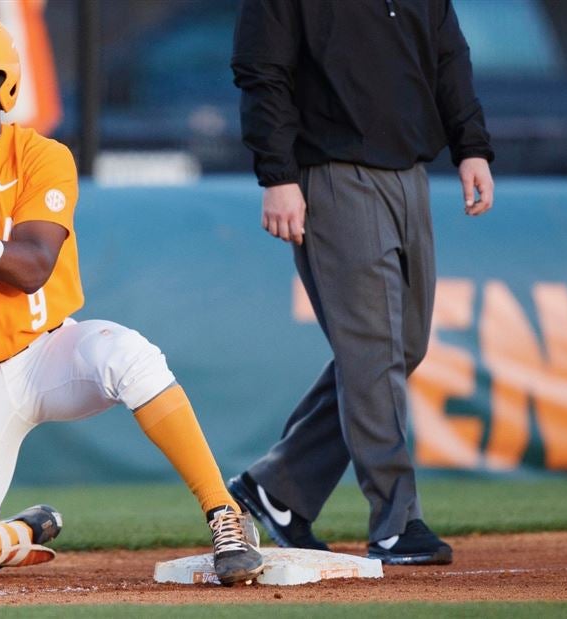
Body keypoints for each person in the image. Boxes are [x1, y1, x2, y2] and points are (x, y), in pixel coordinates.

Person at [0, 14, 263, 585]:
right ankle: (18, 534)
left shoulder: (41, 156)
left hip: (49, 351)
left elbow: (31, 268)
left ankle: (225, 512)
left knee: (127, 355)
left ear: (4, 85)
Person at [226, 0, 495, 566]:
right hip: (331, 172)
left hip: (409, 174)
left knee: (399, 349)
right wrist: (277, 174)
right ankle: (396, 523)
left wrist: (470, 144)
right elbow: (261, 71)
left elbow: (450, 56)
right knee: (372, 353)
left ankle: (280, 486)